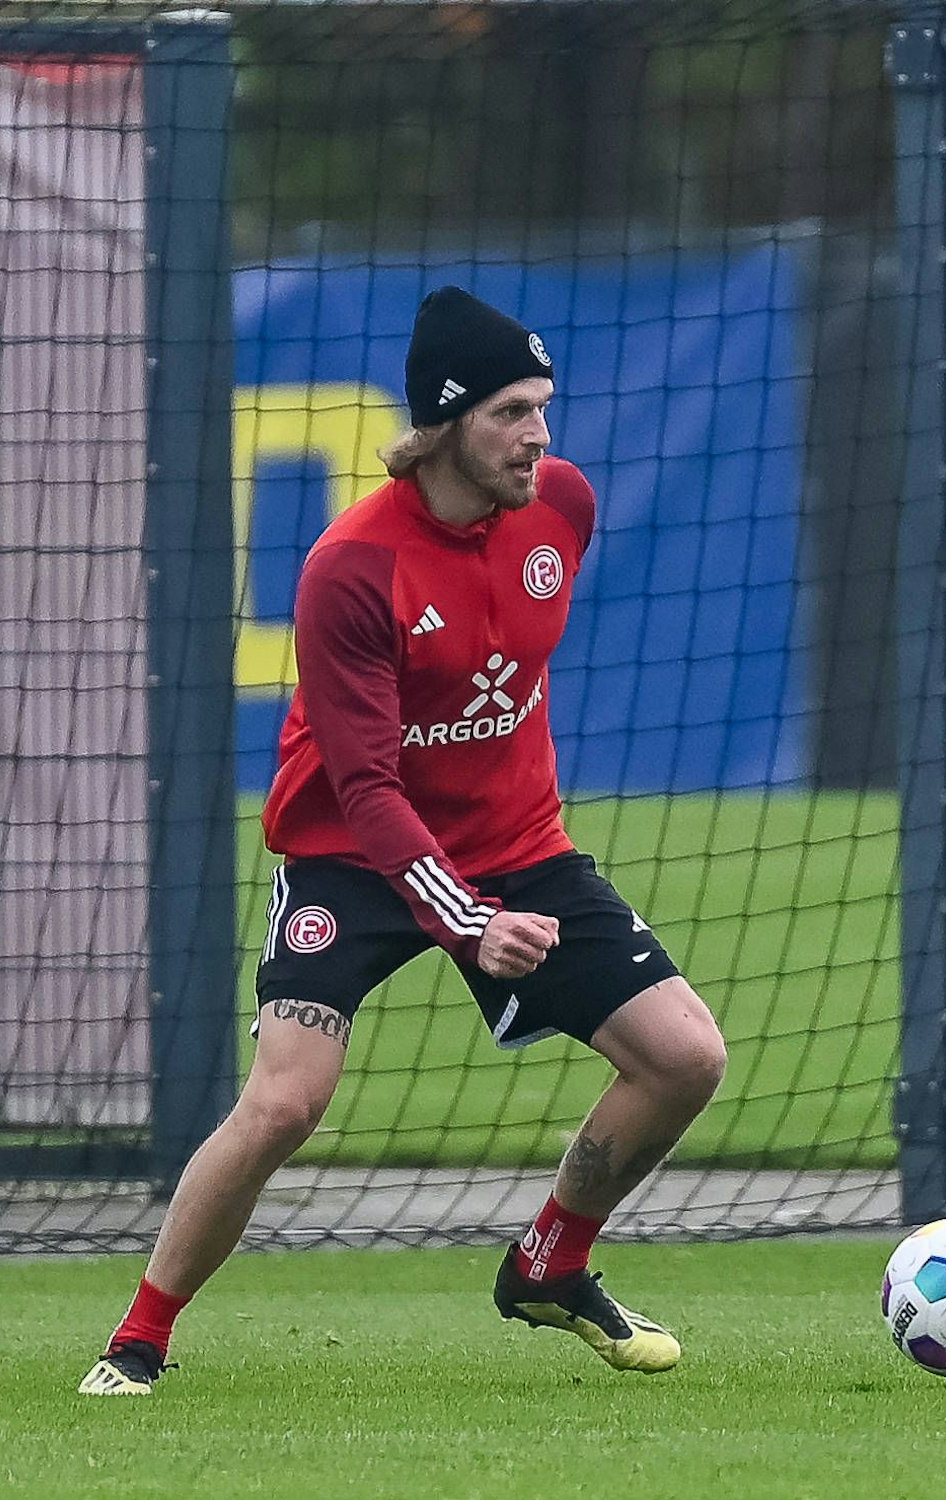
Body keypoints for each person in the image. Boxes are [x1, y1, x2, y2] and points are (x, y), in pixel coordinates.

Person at [78, 287, 728, 1396]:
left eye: (542, 407)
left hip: (518, 847)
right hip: (353, 857)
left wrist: (496, 892)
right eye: (510, 412)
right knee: (285, 1102)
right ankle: (138, 1339)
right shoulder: (350, 567)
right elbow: (369, 789)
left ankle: (548, 1263)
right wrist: (469, 923)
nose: (538, 435)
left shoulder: (562, 507)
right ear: (443, 423)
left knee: (685, 1058)